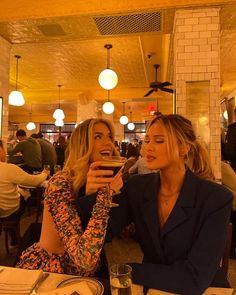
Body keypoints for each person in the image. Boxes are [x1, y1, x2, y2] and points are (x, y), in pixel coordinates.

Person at [77, 114, 233, 295]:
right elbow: (103, 232)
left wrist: (129, 269)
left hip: (206, 289)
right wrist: (91, 194)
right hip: (153, 287)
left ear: (183, 148)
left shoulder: (216, 198)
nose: (147, 148)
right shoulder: (138, 186)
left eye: (158, 141)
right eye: (147, 140)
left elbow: (194, 278)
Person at [16, 118, 123, 276]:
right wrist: (104, 196)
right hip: (51, 272)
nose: (108, 143)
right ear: (82, 144)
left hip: (86, 276)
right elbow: (84, 259)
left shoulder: (99, 183)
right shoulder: (60, 184)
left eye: (109, 137)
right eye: (98, 137)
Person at [0, 140, 48, 245]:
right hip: (9, 211)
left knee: (14, 192)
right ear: (0, 150)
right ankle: (15, 236)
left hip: (1, 209)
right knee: (23, 197)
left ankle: (13, 236)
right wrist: (44, 173)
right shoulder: (8, 169)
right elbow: (34, 181)